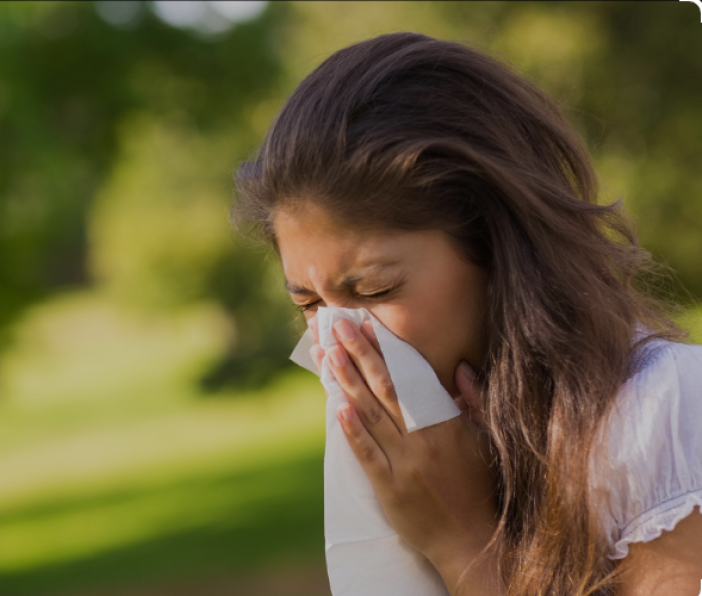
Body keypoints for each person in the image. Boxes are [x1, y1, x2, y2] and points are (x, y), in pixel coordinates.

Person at [232, 32, 702, 596]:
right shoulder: (420, 467)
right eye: (307, 304)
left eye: (375, 288)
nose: (337, 342)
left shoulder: (660, 418)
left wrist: (460, 540)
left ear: (495, 248)